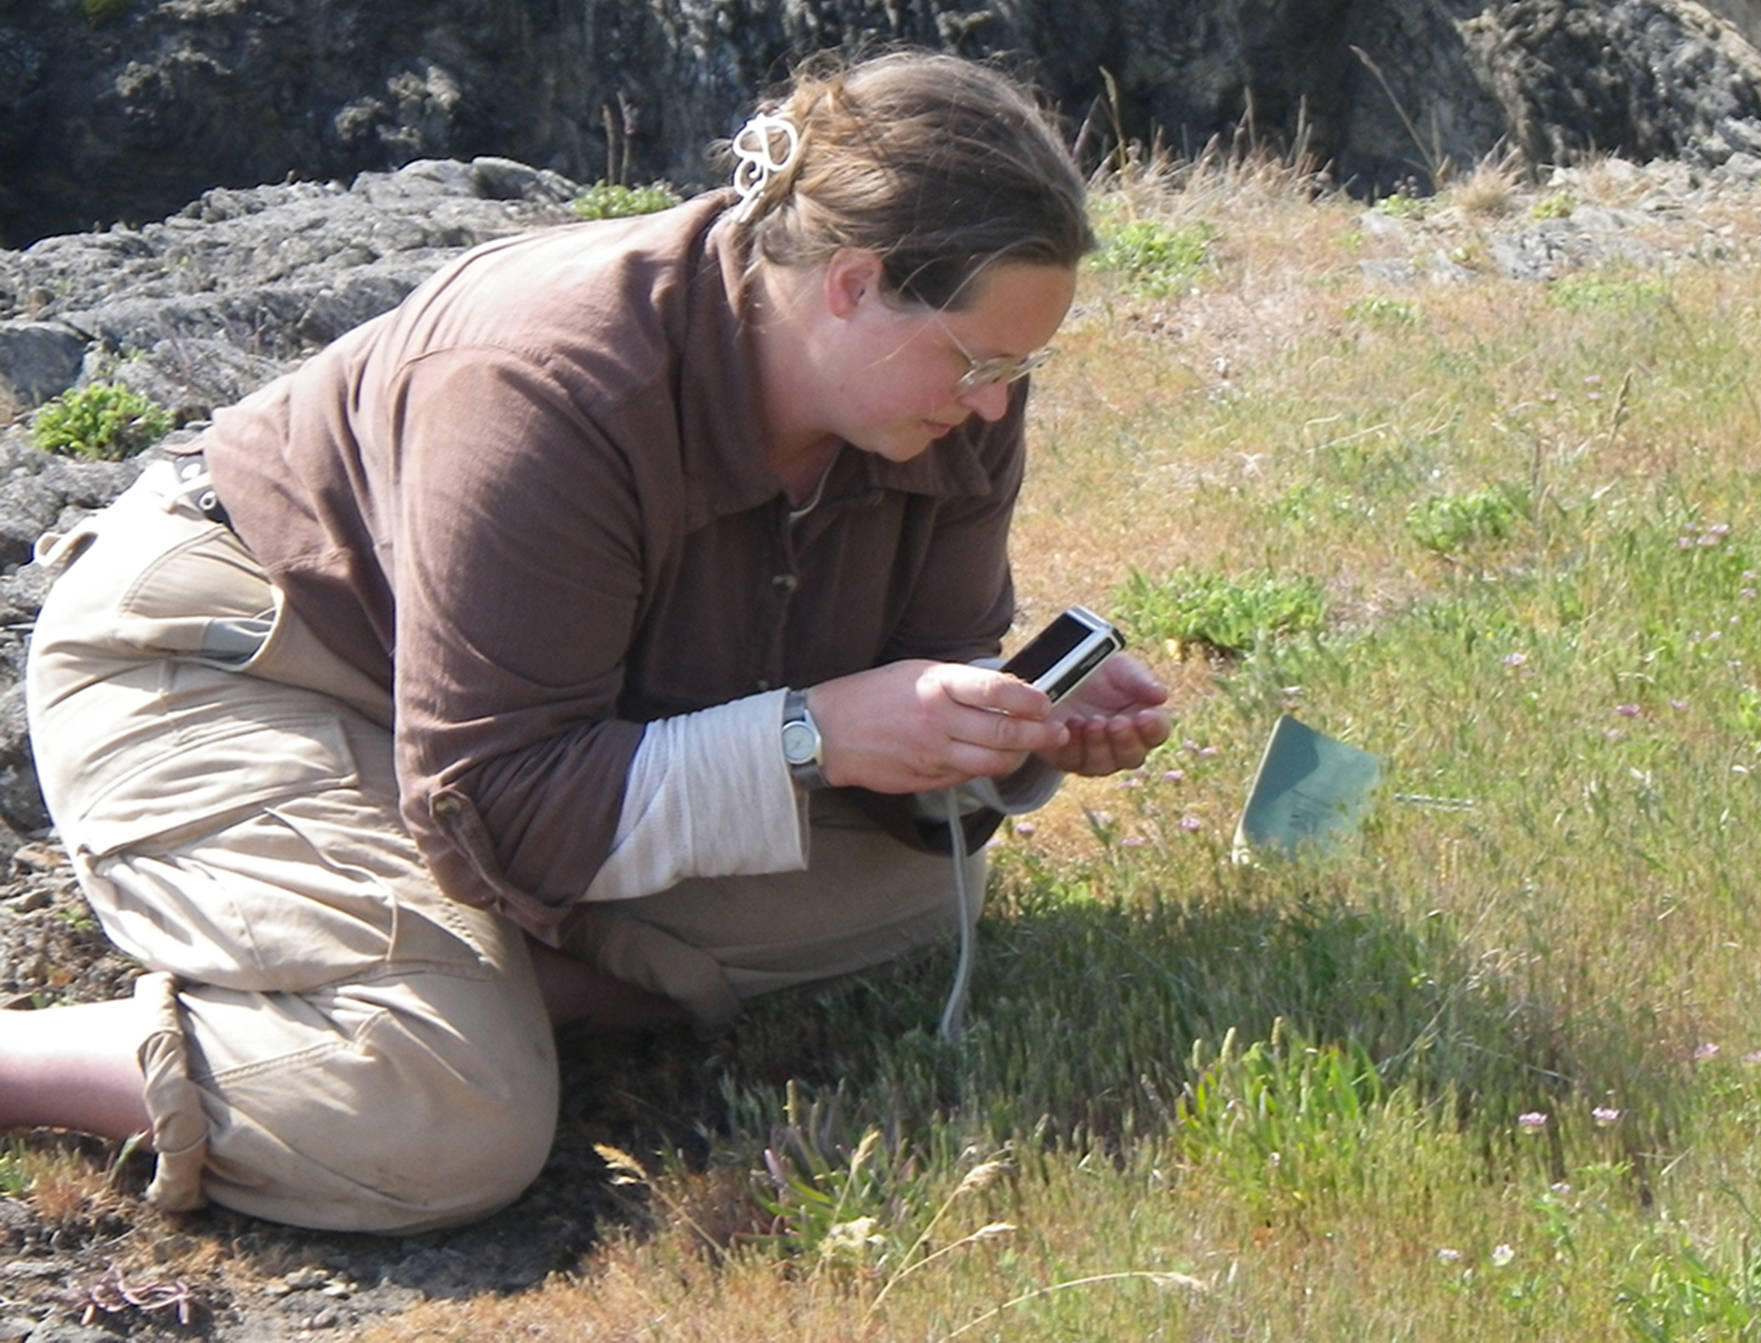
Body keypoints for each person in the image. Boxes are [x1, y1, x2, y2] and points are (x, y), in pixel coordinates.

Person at [2, 48, 1171, 1234]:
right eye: (976, 361)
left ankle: (494, 983)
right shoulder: (543, 380)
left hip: (516, 728)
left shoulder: (948, 403)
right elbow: (496, 799)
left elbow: (900, 713)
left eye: (1018, 367)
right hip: (239, 654)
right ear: (851, 284)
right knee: (439, 1121)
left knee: (919, 899)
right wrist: (813, 732)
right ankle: (35, 1058)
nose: (990, 404)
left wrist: (994, 724)